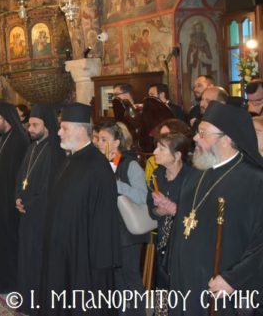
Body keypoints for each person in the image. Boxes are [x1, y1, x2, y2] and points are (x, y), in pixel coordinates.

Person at [168, 101, 263, 315]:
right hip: (185, 282)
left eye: (203, 133)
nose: (195, 138)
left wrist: (233, 279)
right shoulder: (195, 174)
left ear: (227, 139)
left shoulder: (256, 182)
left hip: (223, 289)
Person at [38, 103, 120, 315]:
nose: (58, 132)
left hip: (84, 258)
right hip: (63, 252)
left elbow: (104, 219)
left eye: (64, 128)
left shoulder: (98, 166)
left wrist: (97, 265)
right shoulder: (70, 160)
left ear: (81, 130)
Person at [95, 121, 148, 316]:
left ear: (116, 142)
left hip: (128, 233)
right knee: (114, 278)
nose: (99, 143)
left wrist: (116, 184)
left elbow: (143, 196)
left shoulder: (129, 164)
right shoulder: (99, 164)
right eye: (97, 139)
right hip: (107, 230)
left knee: (130, 277)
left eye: (104, 139)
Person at [15, 104, 61, 314]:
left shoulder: (54, 151)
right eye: (29, 125)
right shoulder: (32, 147)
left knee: (38, 259)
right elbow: (20, 176)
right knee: (26, 257)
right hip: (26, 213)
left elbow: (48, 187)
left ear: (47, 126)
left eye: (35, 125)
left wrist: (29, 204)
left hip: (42, 217)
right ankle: (27, 301)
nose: (30, 129)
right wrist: (18, 197)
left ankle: (39, 304)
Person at [0, 100, 29, 293]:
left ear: (7, 119)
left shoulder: (19, 140)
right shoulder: (2, 138)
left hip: (10, 203)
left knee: (9, 241)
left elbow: (20, 175)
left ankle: (10, 282)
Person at [146, 132, 192, 316]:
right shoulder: (157, 174)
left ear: (177, 155)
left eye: (161, 148)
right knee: (162, 283)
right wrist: (160, 210)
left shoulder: (192, 177)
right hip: (163, 241)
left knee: (180, 287)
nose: (155, 152)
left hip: (183, 243)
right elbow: (151, 210)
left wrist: (173, 209)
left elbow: (197, 214)